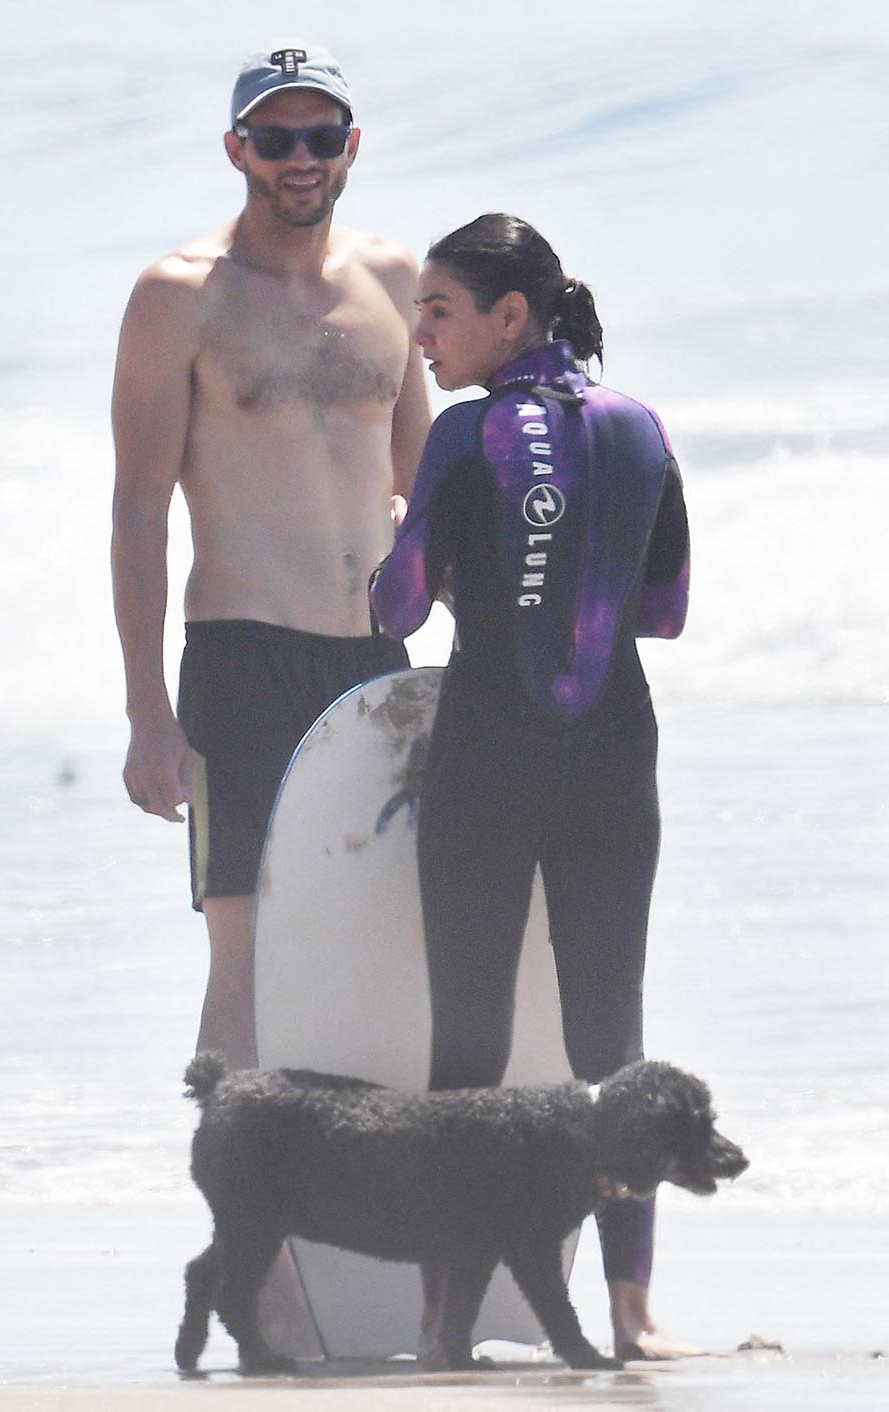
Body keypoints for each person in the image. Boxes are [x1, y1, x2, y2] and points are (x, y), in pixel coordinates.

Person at [370, 214, 693, 1362]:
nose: (419, 335)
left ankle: (442, 1315)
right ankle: (633, 1312)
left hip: (489, 758)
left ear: (511, 318)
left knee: (471, 1042)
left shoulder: (466, 436)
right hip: (613, 757)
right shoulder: (641, 426)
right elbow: (663, 611)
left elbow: (397, 607)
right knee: (616, 1036)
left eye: (439, 310)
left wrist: (423, 542)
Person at [111, 42, 431, 1068]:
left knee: (373, 951)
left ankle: (348, 1216)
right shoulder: (179, 295)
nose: (301, 157)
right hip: (242, 662)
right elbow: (136, 513)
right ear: (236, 148)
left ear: (351, 146)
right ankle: (247, 1221)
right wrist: (146, 711)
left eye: (321, 135)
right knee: (245, 962)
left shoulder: (393, 280)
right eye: (277, 137)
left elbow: (426, 496)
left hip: (374, 662)